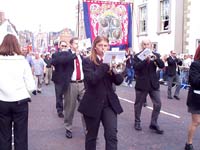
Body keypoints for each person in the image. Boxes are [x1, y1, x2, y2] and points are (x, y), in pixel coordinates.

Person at [78, 36, 124, 150]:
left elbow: (118, 81)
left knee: (112, 136)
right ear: (95, 47)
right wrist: (105, 65)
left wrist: (114, 70)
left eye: (105, 45)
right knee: (92, 137)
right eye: (100, 45)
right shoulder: (87, 61)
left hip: (109, 104)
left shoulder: (113, 60)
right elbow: (92, 80)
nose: (103, 48)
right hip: (92, 103)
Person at [0, 34, 35, 150]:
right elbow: (30, 84)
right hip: (20, 101)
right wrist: (29, 93)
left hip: (2, 102)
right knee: (21, 136)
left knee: (4, 136)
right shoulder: (22, 61)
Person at [133, 39, 164, 134]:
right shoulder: (137, 56)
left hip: (153, 83)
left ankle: (153, 123)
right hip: (142, 83)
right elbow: (136, 67)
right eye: (144, 44)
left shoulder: (156, 55)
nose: (146, 46)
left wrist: (156, 58)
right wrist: (144, 60)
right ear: (142, 46)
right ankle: (137, 122)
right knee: (138, 104)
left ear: (151, 45)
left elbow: (162, 66)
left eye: (148, 44)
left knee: (158, 103)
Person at [185, 45, 200, 150]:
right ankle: (188, 143)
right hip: (196, 97)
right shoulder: (195, 64)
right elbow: (194, 81)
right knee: (196, 122)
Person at [51, 40, 68, 118]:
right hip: (58, 79)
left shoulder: (69, 54)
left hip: (67, 78)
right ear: (59, 46)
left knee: (68, 96)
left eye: (65, 46)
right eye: (62, 46)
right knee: (59, 95)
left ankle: (67, 109)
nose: (63, 47)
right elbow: (53, 62)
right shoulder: (55, 55)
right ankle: (59, 110)